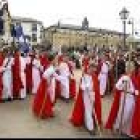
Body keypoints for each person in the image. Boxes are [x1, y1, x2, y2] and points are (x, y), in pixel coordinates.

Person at [105, 62, 137, 137]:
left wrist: (136, 92)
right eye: (128, 67)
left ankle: (127, 131)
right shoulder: (123, 77)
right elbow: (117, 87)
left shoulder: (134, 78)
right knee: (123, 114)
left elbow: (136, 89)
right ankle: (117, 126)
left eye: (131, 68)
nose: (129, 69)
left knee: (130, 114)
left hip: (131, 98)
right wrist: (123, 82)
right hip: (124, 97)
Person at [70, 62, 102, 135]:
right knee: (88, 110)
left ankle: (86, 122)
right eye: (92, 68)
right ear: (89, 68)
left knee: (90, 110)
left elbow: (96, 86)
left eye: (94, 69)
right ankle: (90, 128)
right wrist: (86, 87)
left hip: (92, 95)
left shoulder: (94, 76)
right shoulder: (84, 76)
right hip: (86, 95)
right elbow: (81, 87)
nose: (93, 70)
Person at [32, 53, 58, 119]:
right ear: (52, 60)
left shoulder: (51, 67)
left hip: (51, 83)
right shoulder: (50, 68)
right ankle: (46, 111)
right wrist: (48, 81)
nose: (56, 60)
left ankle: (49, 110)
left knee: (51, 97)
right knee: (49, 97)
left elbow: (55, 75)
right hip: (49, 84)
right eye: (55, 59)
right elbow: (45, 75)